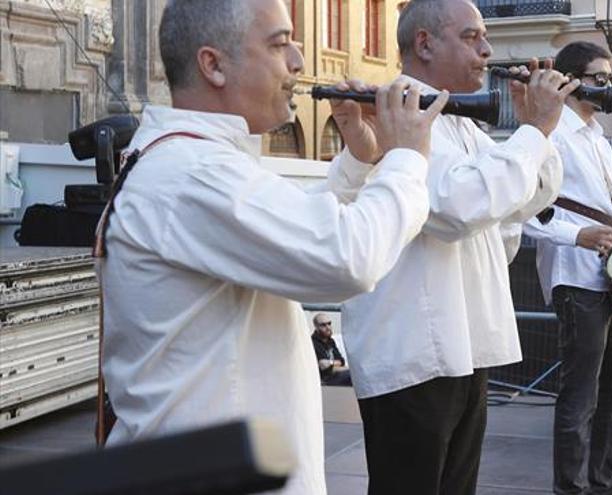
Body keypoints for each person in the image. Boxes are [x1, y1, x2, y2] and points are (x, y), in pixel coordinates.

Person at [97, 0, 448, 494]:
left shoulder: (193, 163)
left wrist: (360, 160)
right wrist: (408, 157)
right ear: (213, 65)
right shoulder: (194, 173)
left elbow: (292, 233)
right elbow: (346, 257)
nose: (299, 63)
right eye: (280, 44)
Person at [324, 1, 580, 493]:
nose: (486, 50)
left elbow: (526, 199)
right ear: (424, 43)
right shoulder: (401, 117)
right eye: (471, 37)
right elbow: (457, 208)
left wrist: (534, 130)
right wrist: (533, 134)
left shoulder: (460, 122)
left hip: (463, 345)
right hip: (413, 352)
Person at [524, 41, 612, 495]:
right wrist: (575, 236)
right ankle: (571, 488)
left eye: (610, 78)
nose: (609, 86)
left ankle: (605, 481)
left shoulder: (596, 136)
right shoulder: (549, 134)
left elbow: (610, 212)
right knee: (581, 392)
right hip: (576, 278)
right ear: (570, 81)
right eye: (599, 79)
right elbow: (524, 209)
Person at [311, 313, 351, 386]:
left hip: (335, 376)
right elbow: (324, 368)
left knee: (355, 375)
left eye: (329, 323)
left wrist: (330, 363)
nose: (328, 327)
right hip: (325, 380)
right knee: (352, 375)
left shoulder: (331, 341)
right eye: (323, 325)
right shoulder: (313, 343)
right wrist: (337, 365)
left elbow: (341, 361)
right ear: (316, 327)